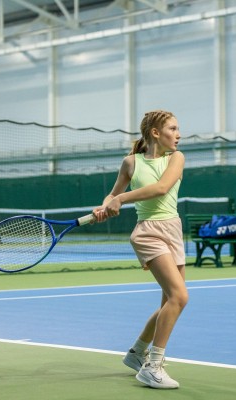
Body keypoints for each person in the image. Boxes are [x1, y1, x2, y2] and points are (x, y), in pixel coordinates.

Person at [92, 110, 186, 390]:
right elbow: (112, 194)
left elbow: (162, 188)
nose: (178, 134)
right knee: (180, 296)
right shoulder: (131, 162)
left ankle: (137, 353)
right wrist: (105, 206)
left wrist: (120, 199)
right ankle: (153, 366)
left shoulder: (177, 158)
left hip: (173, 230)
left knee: (170, 303)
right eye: (173, 129)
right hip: (148, 233)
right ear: (156, 133)